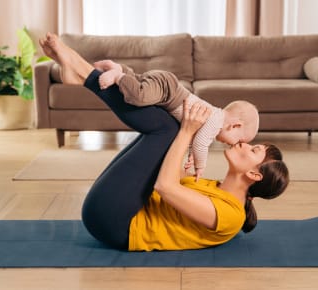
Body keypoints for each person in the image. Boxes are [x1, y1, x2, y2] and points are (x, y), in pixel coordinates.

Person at [39, 32, 289, 251]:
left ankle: (85, 73)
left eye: (254, 148)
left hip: (116, 223)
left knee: (171, 131)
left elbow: (165, 187)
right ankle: (88, 73)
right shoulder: (215, 186)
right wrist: (186, 132)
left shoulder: (230, 215)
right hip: (120, 207)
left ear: (255, 175)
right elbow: (167, 167)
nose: (243, 144)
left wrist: (187, 132)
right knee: (170, 127)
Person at [92, 59, 260, 180]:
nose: (232, 145)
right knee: (138, 97)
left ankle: (119, 68)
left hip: (165, 86)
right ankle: (117, 76)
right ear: (235, 125)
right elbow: (201, 143)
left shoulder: (214, 117)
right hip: (167, 90)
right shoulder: (216, 122)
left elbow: (194, 138)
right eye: (237, 141)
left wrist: (191, 156)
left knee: (139, 84)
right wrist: (200, 166)